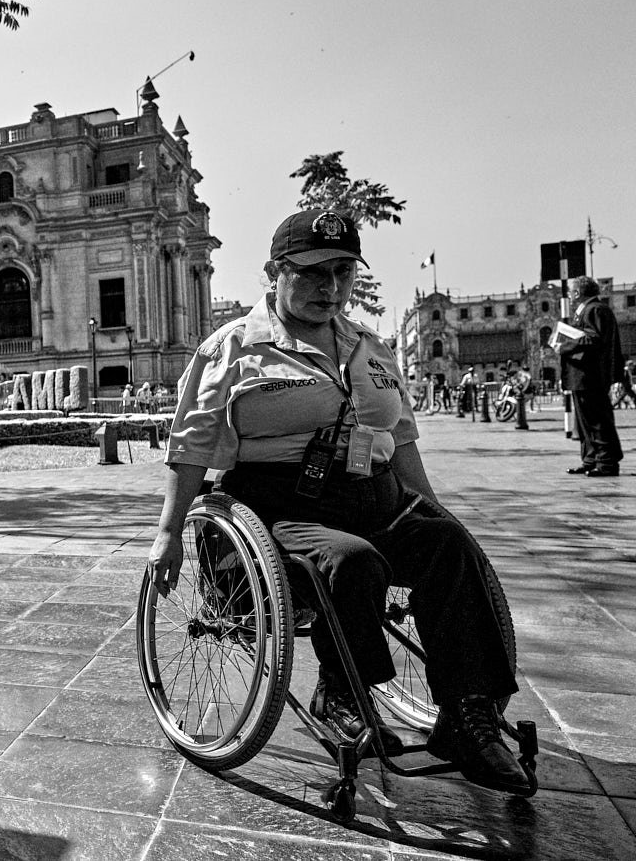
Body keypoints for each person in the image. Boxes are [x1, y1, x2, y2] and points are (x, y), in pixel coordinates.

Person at [149, 209, 529, 795]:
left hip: (372, 495)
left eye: (343, 272)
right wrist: (169, 530)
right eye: (314, 272)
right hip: (280, 505)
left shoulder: (370, 346)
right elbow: (192, 439)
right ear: (274, 272)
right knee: (353, 562)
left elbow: (400, 437)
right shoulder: (233, 347)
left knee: (450, 546)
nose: (331, 287)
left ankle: (466, 715)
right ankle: (341, 692)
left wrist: (431, 507)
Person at [557, 276, 625, 476]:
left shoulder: (595, 310)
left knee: (597, 420)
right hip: (582, 375)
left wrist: (564, 346)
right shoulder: (589, 310)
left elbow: (594, 338)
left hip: (591, 375)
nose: (569, 295)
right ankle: (590, 459)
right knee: (584, 421)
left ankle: (607, 463)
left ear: (578, 293)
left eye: (571, 291)